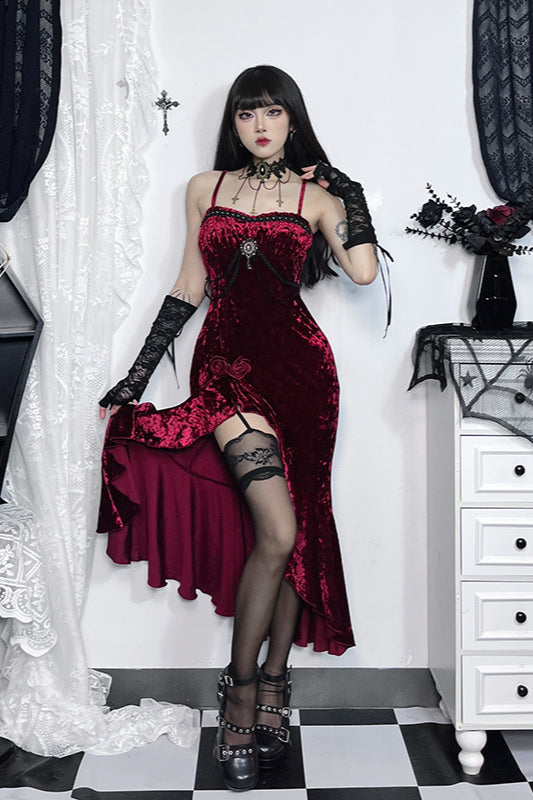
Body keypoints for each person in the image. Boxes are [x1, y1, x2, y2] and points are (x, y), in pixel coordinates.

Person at [98, 65, 384, 792]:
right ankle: (240, 691)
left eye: (273, 113)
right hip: (225, 369)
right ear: (234, 123)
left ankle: (275, 689)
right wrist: (138, 374)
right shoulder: (206, 187)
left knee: (300, 530)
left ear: (292, 120)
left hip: (304, 374)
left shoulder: (318, 197)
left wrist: (347, 190)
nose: (260, 126)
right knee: (278, 533)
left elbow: (360, 272)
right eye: (247, 114)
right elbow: (188, 285)